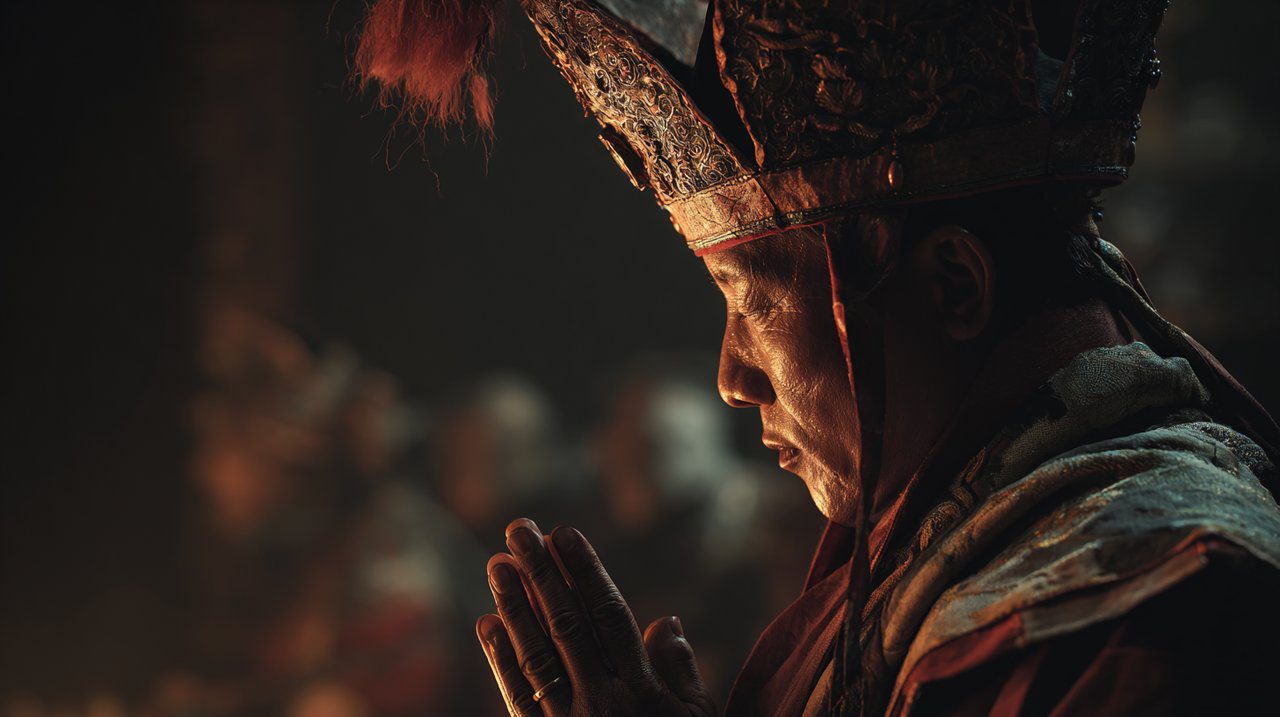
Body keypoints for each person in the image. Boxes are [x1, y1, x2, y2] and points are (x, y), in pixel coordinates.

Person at [353, 1, 1280, 715]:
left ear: (953, 286)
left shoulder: (1161, 615)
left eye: (748, 299)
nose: (731, 377)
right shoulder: (928, 561)